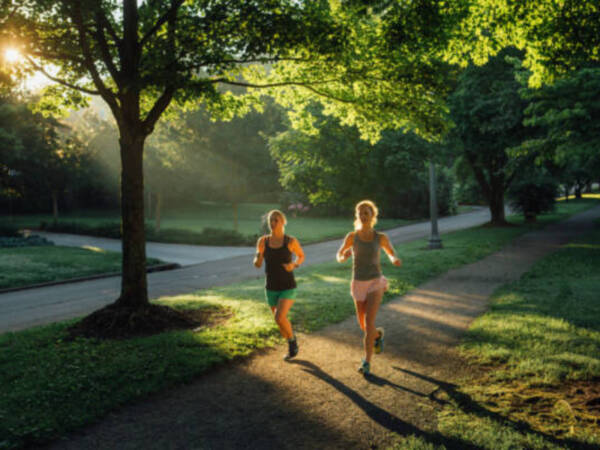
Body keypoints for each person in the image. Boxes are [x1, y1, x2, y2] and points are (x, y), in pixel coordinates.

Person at [336, 200, 402, 375]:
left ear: (373, 216)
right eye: (360, 213)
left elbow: (391, 251)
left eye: (367, 213)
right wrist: (343, 257)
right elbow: (339, 254)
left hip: (375, 281)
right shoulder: (352, 236)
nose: (363, 216)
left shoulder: (380, 237)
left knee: (369, 322)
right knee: (364, 325)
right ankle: (377, 336)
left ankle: (367, 362)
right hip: (358, 282)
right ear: (357, 216)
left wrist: (394, 259)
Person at [254, 209, 305, 360]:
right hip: (271, 287)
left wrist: (294, 265)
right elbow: (257, 264)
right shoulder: (263, 241)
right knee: (281, 325)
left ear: (283, 222)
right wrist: (257, 257)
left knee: (279, 317)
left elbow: (301, 256)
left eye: (276, 219)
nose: (273, 222)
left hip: (288, 286)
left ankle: (292, 342)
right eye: (271, 220)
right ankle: (290, 338)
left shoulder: (290, 241)